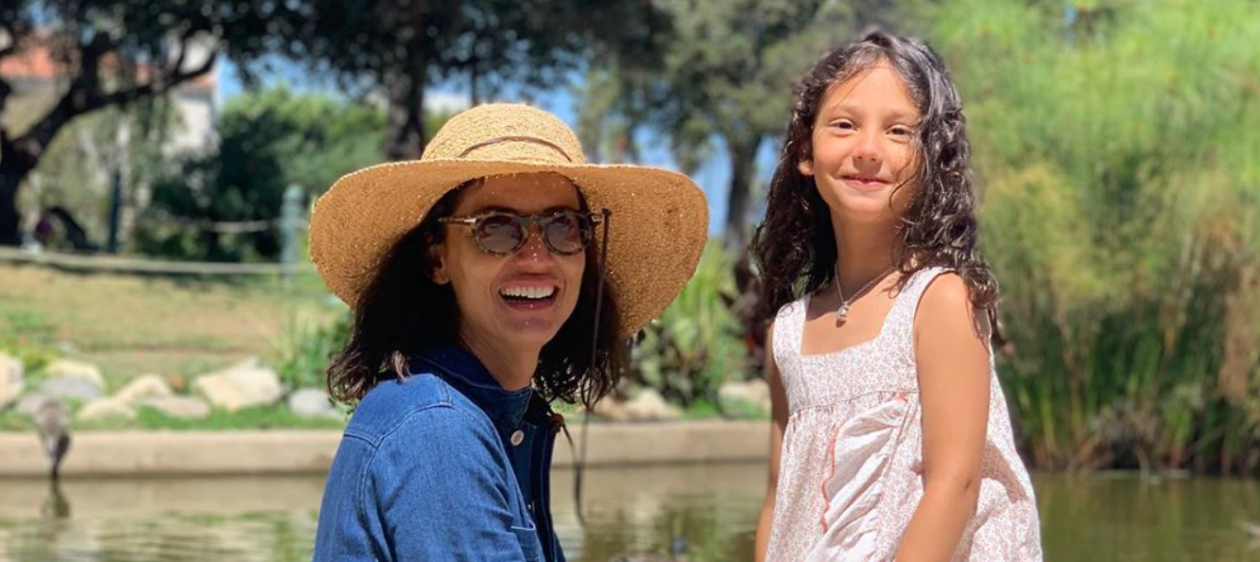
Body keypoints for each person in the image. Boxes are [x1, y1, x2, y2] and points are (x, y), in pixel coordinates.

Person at [309, 103, 708, 562]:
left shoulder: (489, 415)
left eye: (563, 227)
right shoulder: (437, 431)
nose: (536, 258)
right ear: (437, 259)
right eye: (496, 230)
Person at [751, 31, 1043, 562]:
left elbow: (954, 484)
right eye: (843, 125)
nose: (867, 150)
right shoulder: (788, 333)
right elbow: (778, 499)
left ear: (932, 159)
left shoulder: (939, 300)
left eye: (899, 131)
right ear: (804, 154)